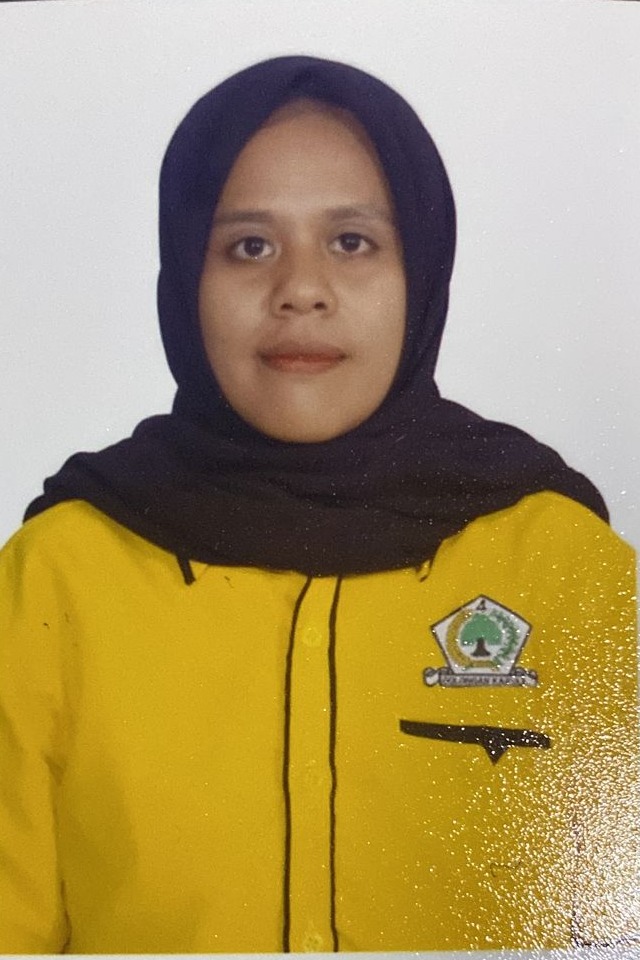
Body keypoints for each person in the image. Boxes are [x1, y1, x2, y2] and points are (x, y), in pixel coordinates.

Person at [0, 55, 637, 954]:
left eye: (351, 242)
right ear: (185, 278)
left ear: (422, 271)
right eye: (249, 247)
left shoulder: (570, 575)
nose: (300, 288)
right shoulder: (56, 580)